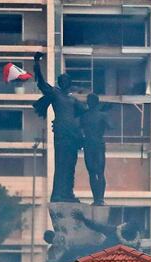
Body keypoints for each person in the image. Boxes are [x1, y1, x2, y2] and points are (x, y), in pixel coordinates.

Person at [33, 51, 85, 203]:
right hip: (62, 132)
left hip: (73, 135)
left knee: (70, 164)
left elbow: (87, 111)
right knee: (61, 163)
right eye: (62, 80)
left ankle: (68, 193)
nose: (64, 83)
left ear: (69, 83)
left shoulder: (73, 100)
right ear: (59, 82)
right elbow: (41, 83)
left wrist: (103, 108)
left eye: (66, 80)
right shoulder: (55, 93)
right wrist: (36, 63)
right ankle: (58, 194)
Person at [80, 93, 111, 205]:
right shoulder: (101, 115)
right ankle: (98, 199)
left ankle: (99, 199)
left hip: (92, 144)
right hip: (94, 144)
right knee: (96, 172)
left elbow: (110, 126)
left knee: (96, 172)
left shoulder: (85, 116)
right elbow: (111, 126)